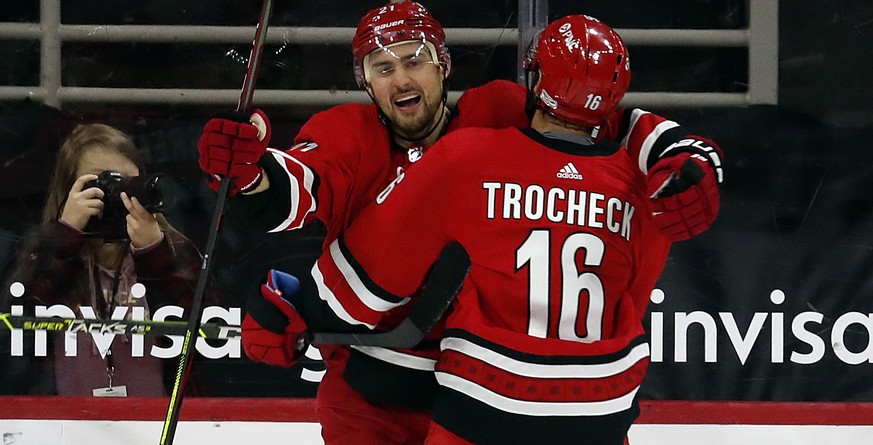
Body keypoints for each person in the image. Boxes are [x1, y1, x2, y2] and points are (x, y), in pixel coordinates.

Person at [197, 2, 721, 443]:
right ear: (367, 84)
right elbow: (296, 186)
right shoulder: (347, 134)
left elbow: (598, 112)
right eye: (382, 68)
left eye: (415, 61)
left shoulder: (500, 112)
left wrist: (683, 155)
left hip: (469, 397)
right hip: (376, 398)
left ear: (443, 65)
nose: (401, 78)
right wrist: (248, 171)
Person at [3, 123, 204, 396]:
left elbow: (208, 333)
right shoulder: (45, 248)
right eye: (102, 183)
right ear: (69, 190)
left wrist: (154, 252)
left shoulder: (172, 248)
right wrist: (65, 236)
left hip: (157, 422)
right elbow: (15, 323)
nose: (116, 196)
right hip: (62, 425)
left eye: (127, 184)